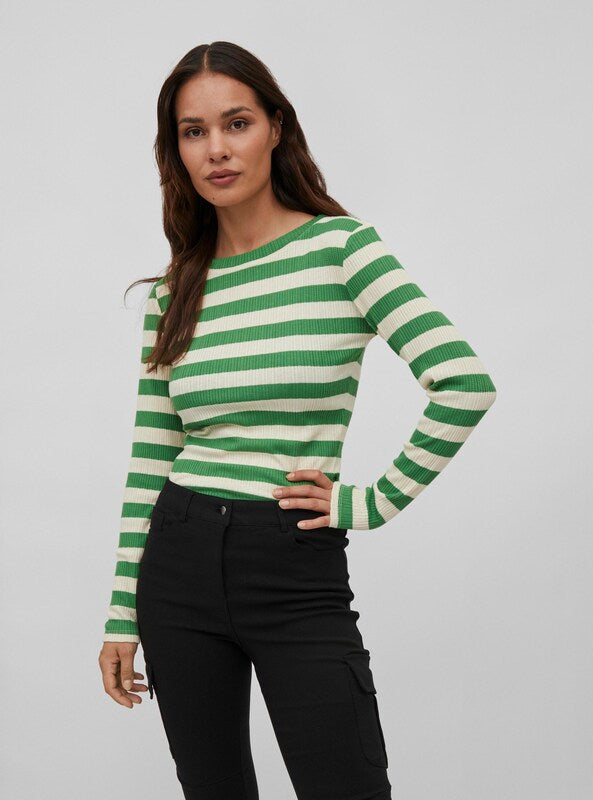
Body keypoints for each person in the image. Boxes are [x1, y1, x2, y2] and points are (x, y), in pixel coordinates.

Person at [98, 40, 497, 800]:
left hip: (291, 561)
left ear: (276, 127)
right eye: (193, 131)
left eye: (237, 123)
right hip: (178, 562)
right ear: (175, 150)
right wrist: (122, 614)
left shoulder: (343, 250)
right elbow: (151, 456)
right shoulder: (175, 290)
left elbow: (464, 383)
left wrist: (369, 502)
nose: (216, 149)